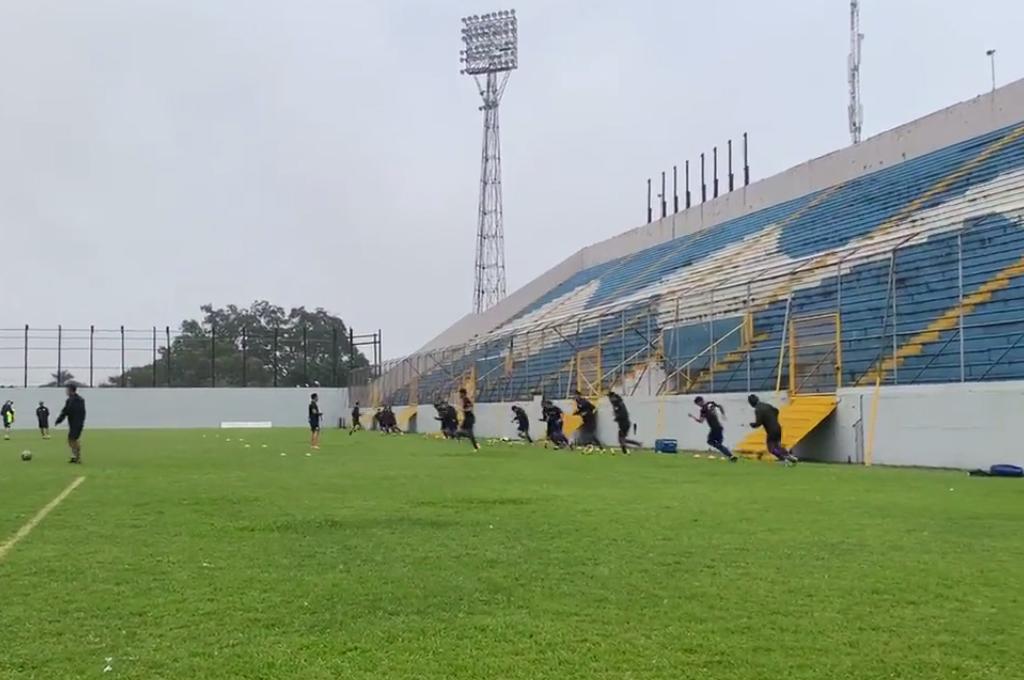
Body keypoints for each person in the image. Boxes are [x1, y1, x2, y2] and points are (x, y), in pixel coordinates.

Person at [747, 394, 798, 465]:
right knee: (777, 446)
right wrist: (773, 418)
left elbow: (758, 423)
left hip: (771, 430)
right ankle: (789, 456)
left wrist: (753, 425)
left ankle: (784, 458)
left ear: (751, 403)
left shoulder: (758, 409)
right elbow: (777, 411)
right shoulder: (767, 405)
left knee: (771, 448)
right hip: (778, 427)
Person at [690, 396, 737, 461]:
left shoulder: (703, 409)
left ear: (700, 402)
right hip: (719, 427)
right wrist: (723, 414)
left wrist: (692, 417)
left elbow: (701, 421)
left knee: (711, 441)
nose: (698, 406)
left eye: (698, 404)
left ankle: (730, 455)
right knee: (718, 444)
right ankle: (730, 456)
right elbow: (720, 406)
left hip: (715, 428)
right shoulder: (711, 403)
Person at [55, 384, 86, 464]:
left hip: (76, 423)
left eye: (67, 390)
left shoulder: (71, 400)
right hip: (77, 423)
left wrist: (59, 420)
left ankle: (77, 458)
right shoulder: (80, 400)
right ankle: (75, 457)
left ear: (70, 390)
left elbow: (66, 411)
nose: (66, 391)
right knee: (72, 439)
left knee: (72, 440)